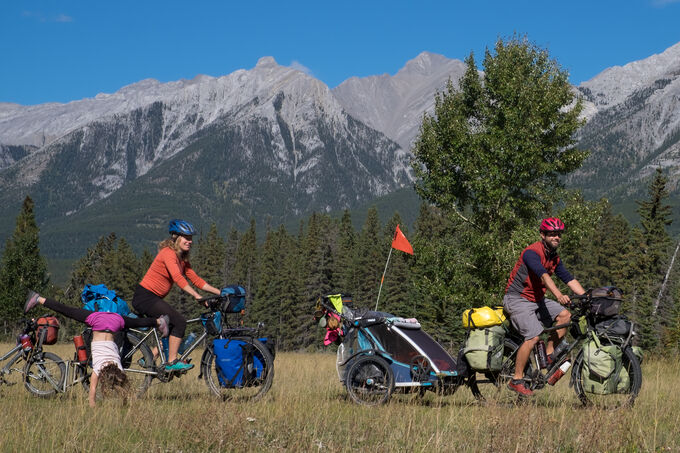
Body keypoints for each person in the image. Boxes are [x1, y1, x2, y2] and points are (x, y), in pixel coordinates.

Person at [24, 290, 169, 407]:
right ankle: (159, 321)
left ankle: (159, 321)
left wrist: (125, 402)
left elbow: (122, 385)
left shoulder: (118, 367)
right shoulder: (98, 369)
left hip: (109, 320)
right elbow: (92, 392)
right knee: (68, 311)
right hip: (106, 321)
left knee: (67, 310)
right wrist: (92, 406)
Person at [503, 217, 585, 396]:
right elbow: (543, 276)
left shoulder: (554, 257)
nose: (556, 237)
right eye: (552, 234)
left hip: (537, 300)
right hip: (517, 299)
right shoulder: (532, 252)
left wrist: (587, 297)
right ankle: (516, 379)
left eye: (559, 234)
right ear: (543, 235)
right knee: (533, 336)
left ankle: (547, 356)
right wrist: (559, 295)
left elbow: (569, 279)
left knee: (565, 316)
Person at [131, 219, 221, 372]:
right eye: (186, 237)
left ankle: (149, 357)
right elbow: (178, 278)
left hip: (153, 298)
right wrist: (196, 296)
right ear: (176, 237)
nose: (190, 241)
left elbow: (196, 279)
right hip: (145, 297)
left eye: (191, 238)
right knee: (179, 321)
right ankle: (172, 362)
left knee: (172, 324)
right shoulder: (168, 253)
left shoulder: (182, 258)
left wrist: (221, 293)